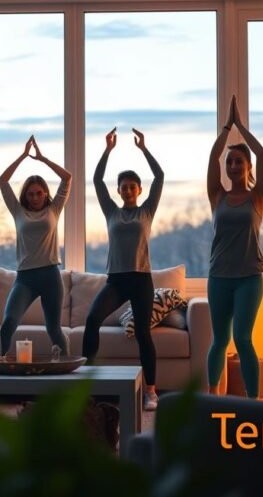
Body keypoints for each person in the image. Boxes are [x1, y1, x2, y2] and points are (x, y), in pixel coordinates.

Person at [82, 127, 163, 411]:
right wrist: (107, 150)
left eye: (132, 186)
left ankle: (151, 392)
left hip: (141, 280)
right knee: (92, 319)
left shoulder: (146, 211)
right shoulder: (111, 212)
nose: (128, 190)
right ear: (118, 191)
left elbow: (160, 176)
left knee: (143, 333)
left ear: (139, 190)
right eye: (123, 187)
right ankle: (85, 386)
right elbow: (96, 179)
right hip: (116, 281)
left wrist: (144, 149)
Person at [205, 96, 263, 398]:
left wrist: (241, 128)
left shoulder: (258, 196)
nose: (232, 165)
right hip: (219, 276)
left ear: (248, 166)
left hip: (249, 278)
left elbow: (262, 153)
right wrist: (226, 128)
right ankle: (212, 397)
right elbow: (213, 156)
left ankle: (254, 402)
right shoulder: (217, 195)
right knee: (220, 341)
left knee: (243, 339)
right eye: (229, 162)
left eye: (238, 161)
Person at [0, 136, 71, 359]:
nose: (35, 197)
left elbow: (67, 178)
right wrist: (23, 156)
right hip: (25, 278)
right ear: (25, 196)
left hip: (50, 276)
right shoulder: (18, 211)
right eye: (30, 194)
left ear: (45, 193)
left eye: (39, 193)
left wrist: (42, 159)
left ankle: (67, 372)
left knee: (53, 329)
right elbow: (2, 181)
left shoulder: (54, 209)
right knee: (9, 322)